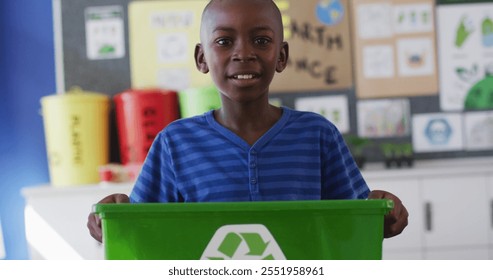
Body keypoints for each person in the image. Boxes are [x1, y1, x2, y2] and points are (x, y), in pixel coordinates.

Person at [88, 0, 408, 243]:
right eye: (225, 42)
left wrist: (385, 213)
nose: (244, 53)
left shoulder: (317, 135)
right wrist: (111, 219)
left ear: (281, 56)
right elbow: (141, 229)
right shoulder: (175, 143)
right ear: (202, 58)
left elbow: (357, 222)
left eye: (261, 41)